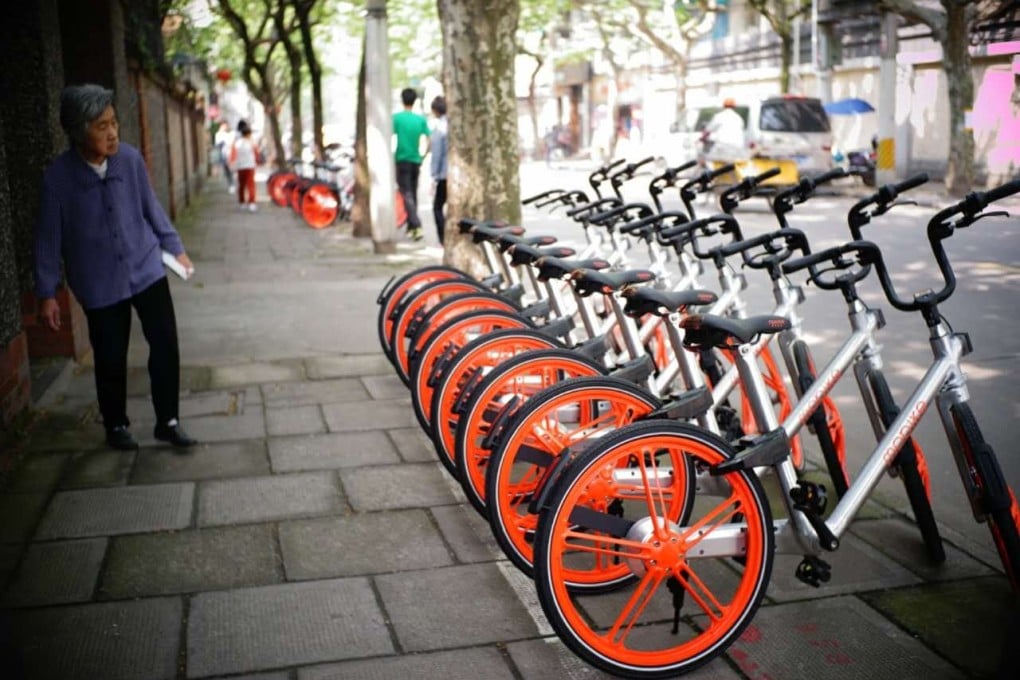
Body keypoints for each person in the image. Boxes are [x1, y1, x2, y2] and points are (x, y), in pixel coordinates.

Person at [34, 83, 197, 451]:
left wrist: (175, 247)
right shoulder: (57, 180)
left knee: (166, 343)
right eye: (101, 126)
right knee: (110, 355)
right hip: (98, 282)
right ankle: (116, 425)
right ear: (78, 132)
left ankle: (168, 421)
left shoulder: (130, 160)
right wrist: (47, 293)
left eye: (113, 122)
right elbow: (47, 241)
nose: (112, 132)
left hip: (147, 267)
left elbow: (150, 208)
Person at [392, 87, 430, 241]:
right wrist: (423, 155)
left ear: (402, 100)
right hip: (416, 161)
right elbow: (429, 139)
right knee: (412, 193)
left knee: (406, 194)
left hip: (402, 160)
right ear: (415, 101)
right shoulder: (420, 120)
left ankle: (417, 224)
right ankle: (411, 227)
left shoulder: (396, 118)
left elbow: (390, 137)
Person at [429, 95, 448, 245]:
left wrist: (434, 175)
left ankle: (443, 238)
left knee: (437, 207)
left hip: (444, 175)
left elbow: (437, 153)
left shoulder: (440, 127)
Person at [230, 120, 261, 212]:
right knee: (250, 185)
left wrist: (233, 164)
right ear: (248, 134)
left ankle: (242, 202)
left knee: (242, 185)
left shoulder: (237, 143)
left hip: (240, 167)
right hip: (250, 166)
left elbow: (233, 156)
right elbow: (257, 155)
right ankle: (252, 203)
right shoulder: (252, 143)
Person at [214, 121, 234, 193]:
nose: (225, 127)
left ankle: (231, 185)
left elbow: (231, 144)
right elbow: (217, 145)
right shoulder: (218, 134)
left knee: (230, 170)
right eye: (224, 126)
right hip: (222, 155)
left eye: (226, 126)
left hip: (228, 154)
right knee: (226, 170)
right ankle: (230, 184)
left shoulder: (229, 134)